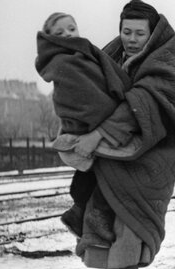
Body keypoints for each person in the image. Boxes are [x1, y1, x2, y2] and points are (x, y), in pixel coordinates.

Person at [65, 2, 175, 269]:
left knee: (127, 251)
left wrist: (96, 135)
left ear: (152, 35)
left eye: (139, 33)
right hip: (108, 170)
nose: (132, 39)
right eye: (127, 31)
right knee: (103, 244)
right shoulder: (109, 58)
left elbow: (142, 106)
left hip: (145, 169)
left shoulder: (163, 66)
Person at [36, 12, 143, 244]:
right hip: (89, 124)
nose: (68, 35)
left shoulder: (81, 54)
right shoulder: (66, 61)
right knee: (111, 171)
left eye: (71, 29)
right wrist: (115, 114)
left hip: (89, 124)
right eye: (60, 33)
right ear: (51, 39)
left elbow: (95, 84)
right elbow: (86, 96)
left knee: (96, 173)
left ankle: (79, 213)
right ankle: (89, 216)